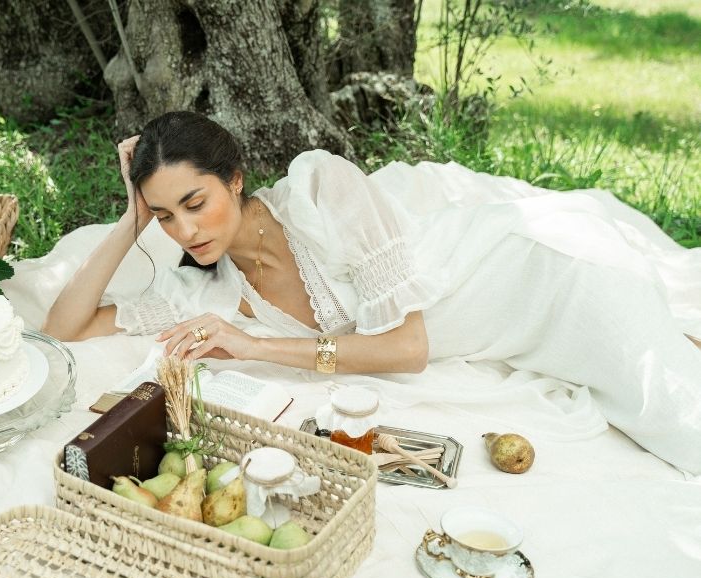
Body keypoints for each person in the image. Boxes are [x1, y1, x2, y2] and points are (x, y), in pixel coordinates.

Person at [43, 111, 701, 474]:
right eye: (166, 217)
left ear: (236, 180)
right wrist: (132, 216)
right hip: (514, 337)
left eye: (195, 203)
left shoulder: (321, 190)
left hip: (535, 274)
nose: (185, 230)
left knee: (681, 425)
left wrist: (253, 345)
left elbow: (408, 347)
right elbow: (68, 325)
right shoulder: (208, 296)